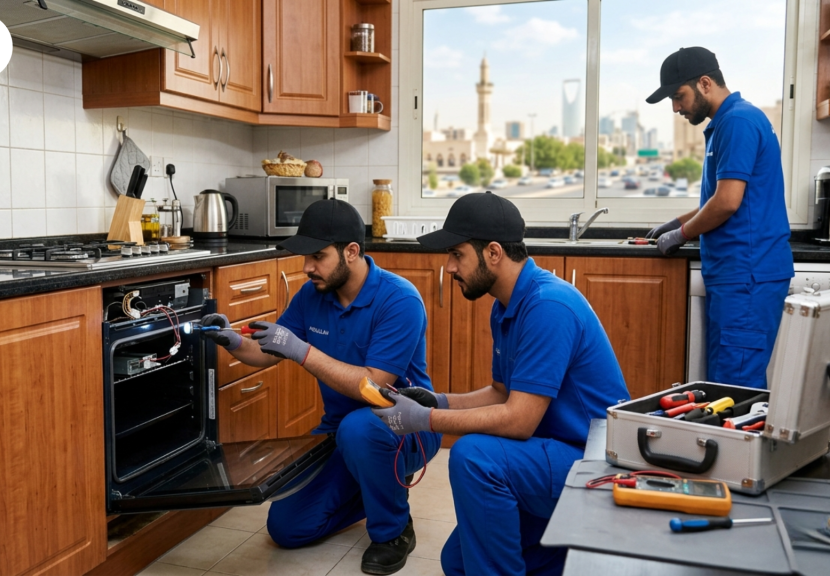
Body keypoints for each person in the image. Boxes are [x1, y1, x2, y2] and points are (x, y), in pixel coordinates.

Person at [371, 192, 629, 576]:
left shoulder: (548, 306)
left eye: (457, 254)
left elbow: (518, 420)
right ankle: (577, 554)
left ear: (493, 253)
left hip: (594, 463)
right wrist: (437, 401)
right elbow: (502, 393)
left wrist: (424, 420)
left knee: (475, 457)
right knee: (457, 562)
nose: (449, 267)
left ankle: (587, 543)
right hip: (552, 453)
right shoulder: (506, 305)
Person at [199, 199, 442, 575]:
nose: (306, 267)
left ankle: (393, 530)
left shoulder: (399, 300)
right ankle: (378, 484)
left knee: (360, 428)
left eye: (317, 256)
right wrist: (231, 338)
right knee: (287, 528)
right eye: (304, 256)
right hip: (337, 433)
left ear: (352, 251)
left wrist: (302, 351)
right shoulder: (312, 295)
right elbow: (268, 351)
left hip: (401, 428)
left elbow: (374, 388)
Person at [644, 46, 793, 388]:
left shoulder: (737, 122)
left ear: (706, 83)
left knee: (733, 388)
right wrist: (677, 222)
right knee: (727, 382)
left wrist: (681, 234)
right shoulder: (730, 121)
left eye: (679, 96)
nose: (676, 107)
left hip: (747, 276)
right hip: (739, 275)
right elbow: (720, 198)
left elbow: (727, 203)